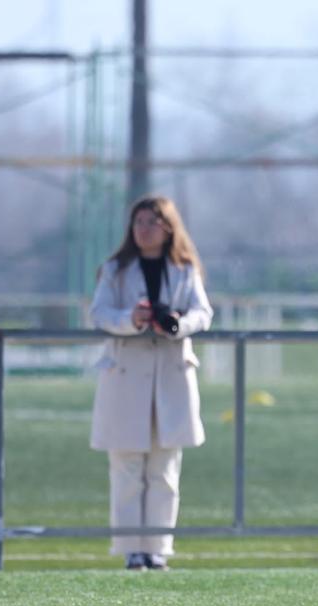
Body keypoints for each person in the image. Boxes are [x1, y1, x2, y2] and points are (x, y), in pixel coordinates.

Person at [89, 195, 213, 571]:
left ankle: (158, 548)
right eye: (138, 222)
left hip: (171, 378)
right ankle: (132, 551)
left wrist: (175, 323)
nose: (143, 229)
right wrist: (134, 318)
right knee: (127, 469)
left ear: (168, 227)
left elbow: (202, 313)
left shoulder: (184, 268)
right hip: (126, 379)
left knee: (164, 470)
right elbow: (100, 313)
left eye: (151, 222)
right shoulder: (116, 269)